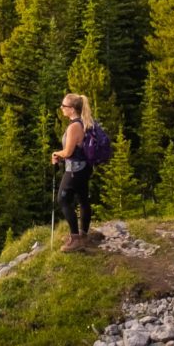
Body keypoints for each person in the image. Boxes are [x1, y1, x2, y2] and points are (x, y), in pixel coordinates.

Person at [49, 91, 98, 250]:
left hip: (75, 170)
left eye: (64, 105)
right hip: (85, 168)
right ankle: (83, 235)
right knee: (83, 199)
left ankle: (75, 239)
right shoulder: (85, 122)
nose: (61, 108)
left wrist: (56, 154)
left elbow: (68, 152)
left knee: (63, 200)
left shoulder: (74, 127)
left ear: (72, 108)